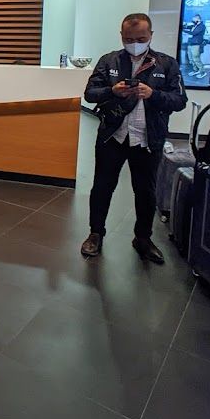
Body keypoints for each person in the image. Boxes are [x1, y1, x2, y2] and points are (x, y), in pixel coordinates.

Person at [81, 13, 188, 264]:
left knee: (145, 191)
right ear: (121, 36)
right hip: (112, 136)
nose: (135, 43)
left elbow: (180, 100)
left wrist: (153, 94)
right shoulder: (109, 61)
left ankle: (143, 238)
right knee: (102, 187)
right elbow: (89, 94)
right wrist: (112, 90)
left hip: (148, 139)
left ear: (151, 35)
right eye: (129, 39)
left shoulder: (167, 65)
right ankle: (96, 233)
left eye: (141, 38)